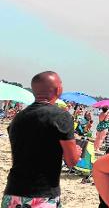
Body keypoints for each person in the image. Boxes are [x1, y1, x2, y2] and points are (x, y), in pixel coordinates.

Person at [2, 71, 82, 208]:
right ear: (58, 89)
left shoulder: (18, 118)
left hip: (13, 192)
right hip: (42, 195)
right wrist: (77, 152)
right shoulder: (61, 117)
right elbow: (71, 161)